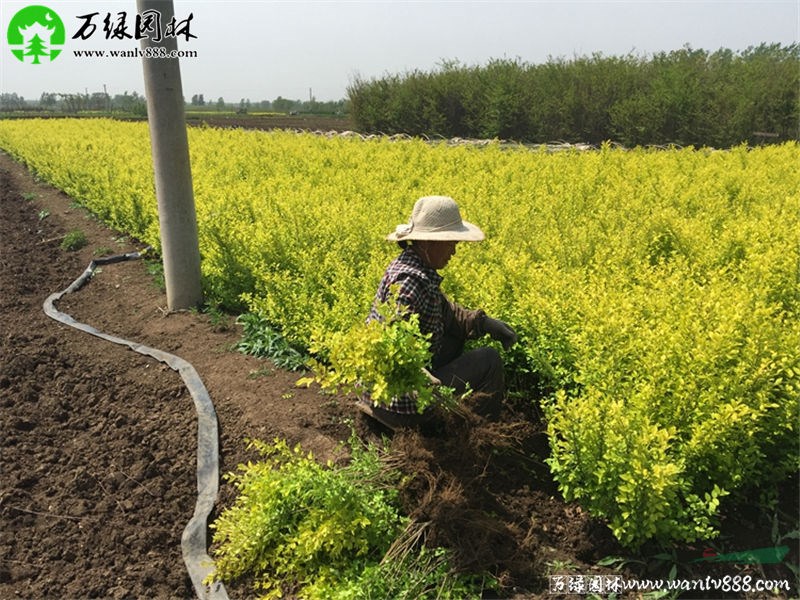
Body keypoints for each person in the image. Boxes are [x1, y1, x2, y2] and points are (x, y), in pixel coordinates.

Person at [359, 195, 517, 430]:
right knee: (489, 359)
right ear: (428, 243)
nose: (454, 251)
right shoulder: (409, 281)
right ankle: (480, 434)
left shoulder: (414, 267)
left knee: (453, 338)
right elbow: (390, 335)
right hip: (402, 402)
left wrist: (484, 324)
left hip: (387, 394)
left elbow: (449, 314)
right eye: (450, 242)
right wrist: (418, 373)